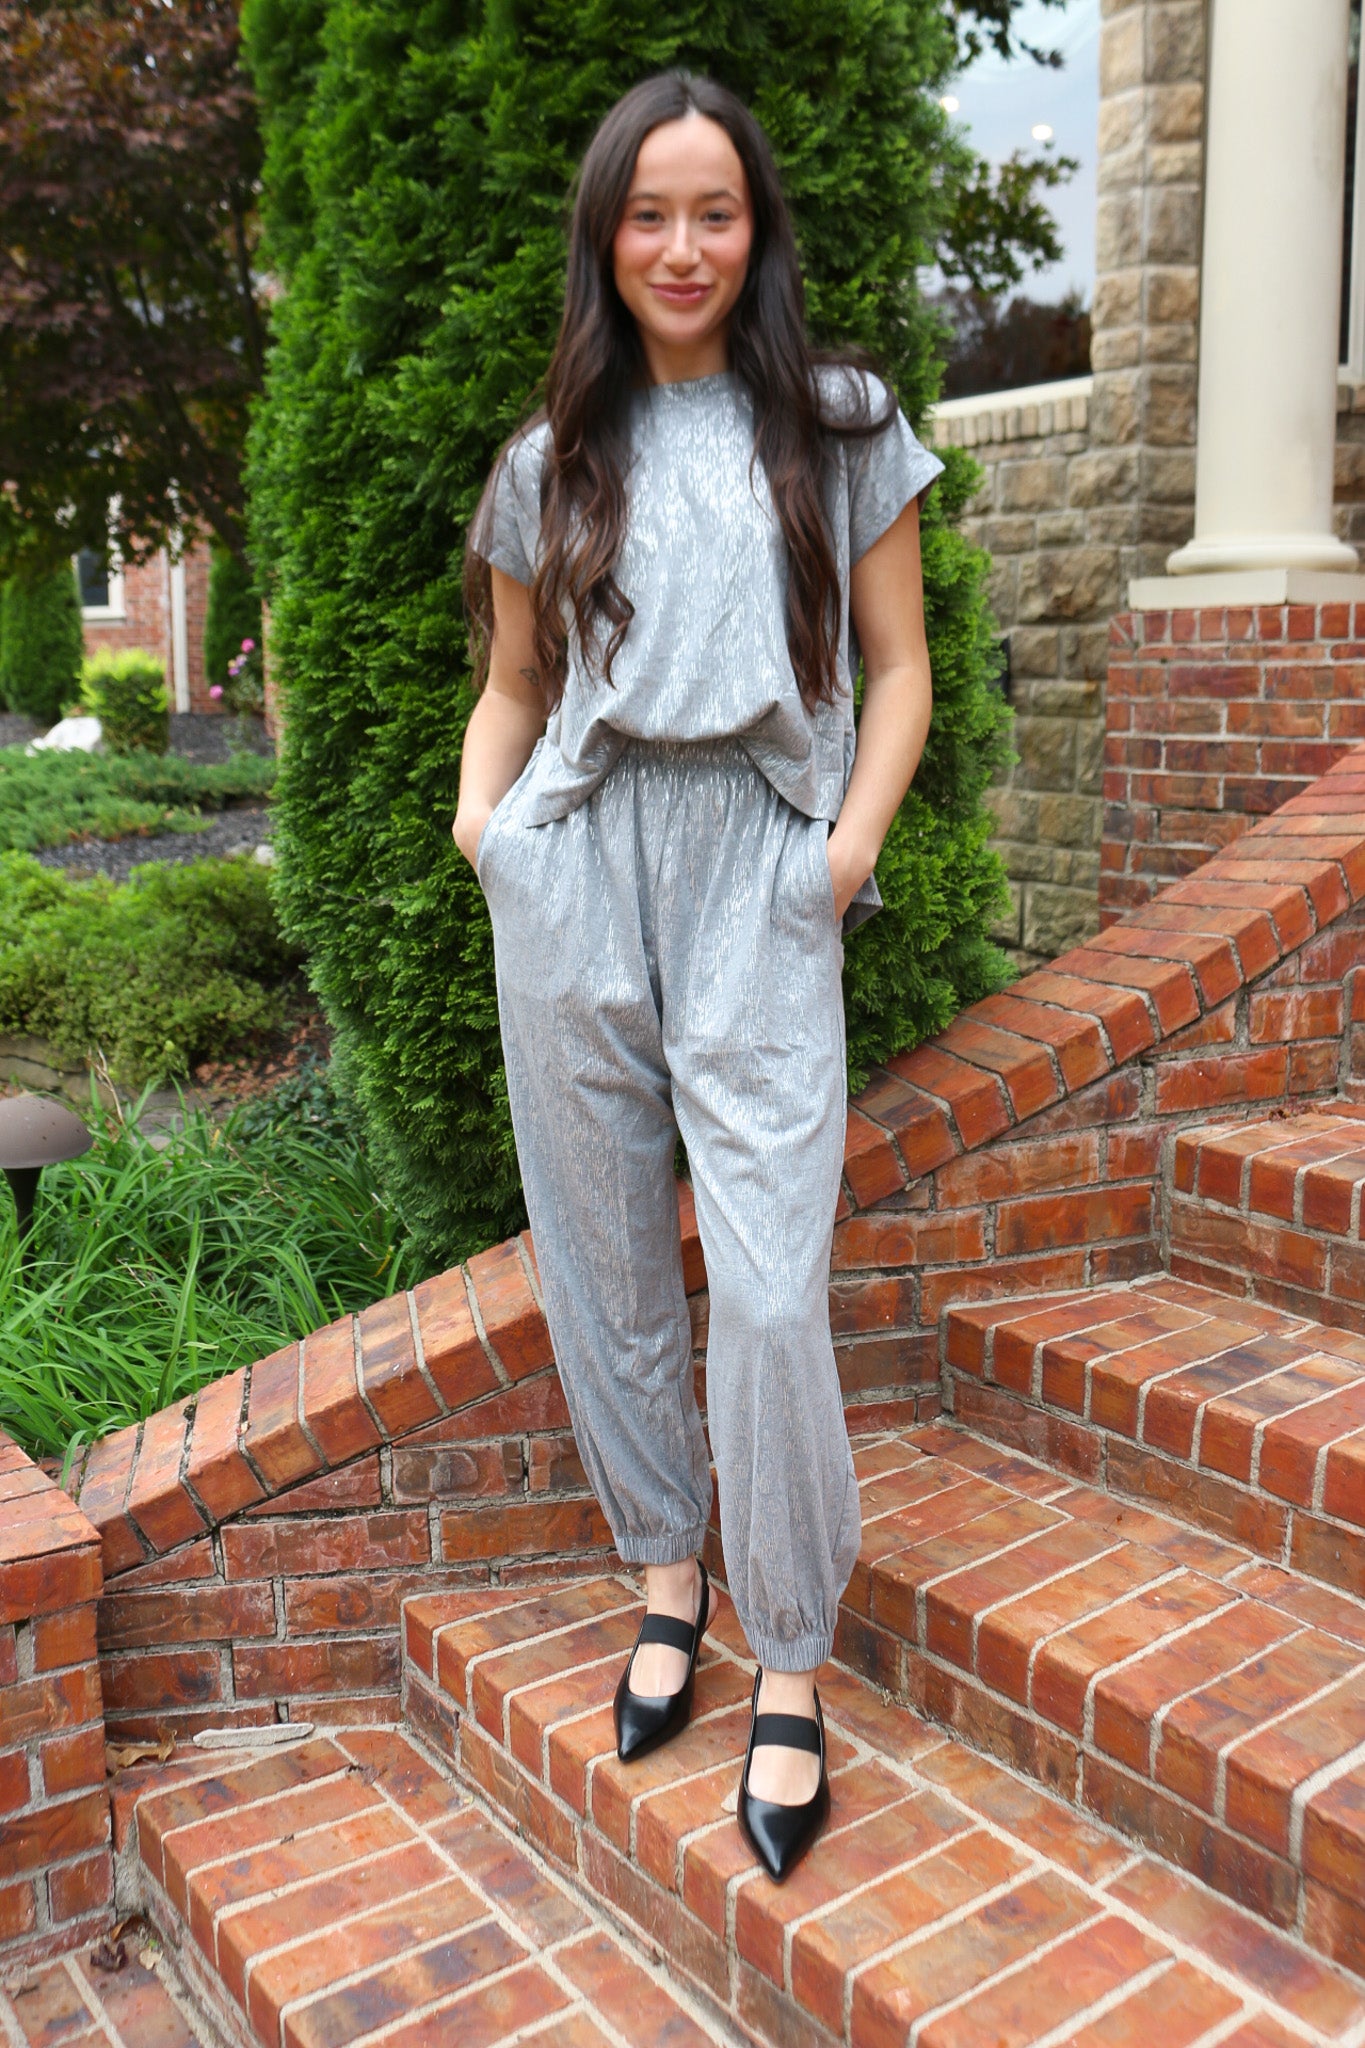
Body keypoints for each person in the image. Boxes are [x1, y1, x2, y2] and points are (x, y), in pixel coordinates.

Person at [454, 69, 940, 1883]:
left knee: (769, 1291)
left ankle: (787, 1658)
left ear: (755, 229)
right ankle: (668, 1574)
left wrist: (844, 852)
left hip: (760, 871)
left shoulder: (838, 424)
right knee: (601, 1262)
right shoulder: (548, 458)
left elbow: (898, 668)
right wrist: (484, 833)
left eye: (711, 211)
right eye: (647, 214)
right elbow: (512, 683)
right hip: (576, 864)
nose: (680, 245)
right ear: (605, 236)